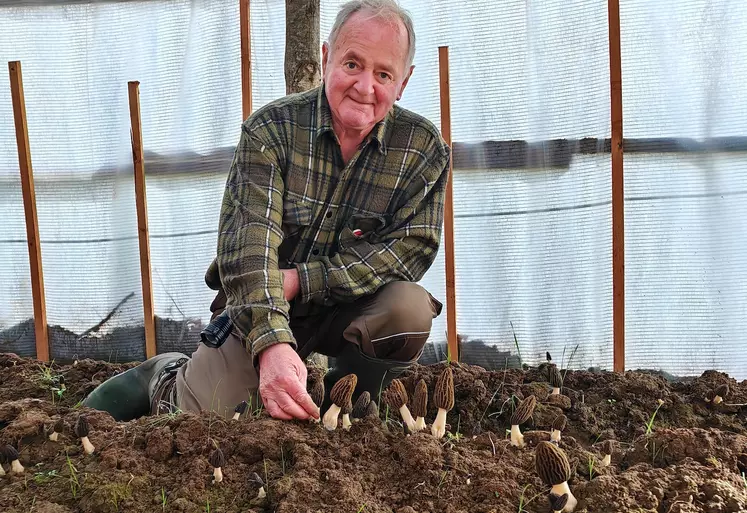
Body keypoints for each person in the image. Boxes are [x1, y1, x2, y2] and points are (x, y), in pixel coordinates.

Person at [82, 0, 449, 422]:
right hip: (260, 300)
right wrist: (272, 344)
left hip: (348, 306)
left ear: (403, 82)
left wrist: (303, 280)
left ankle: (339, 400)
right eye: (352, 64)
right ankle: (163, 376)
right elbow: (249, 250)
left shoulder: (422, 150)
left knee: (408, 309)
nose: (365, 87)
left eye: (383, 74)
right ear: (326, 57)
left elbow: (410, 250)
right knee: (205, 420)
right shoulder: (271, 131)